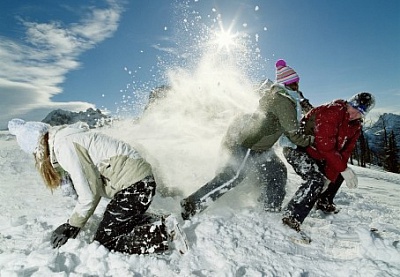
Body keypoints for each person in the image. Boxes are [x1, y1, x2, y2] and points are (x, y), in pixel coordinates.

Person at [8, 119, 186, 255]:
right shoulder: (65, 139)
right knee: (117, 221)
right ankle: (162, 221)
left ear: (38, 147)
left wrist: (72, 225)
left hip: (135, 187)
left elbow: (89, 192)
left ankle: (165, 234)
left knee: (106, 240)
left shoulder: (64, 146)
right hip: (138, 185)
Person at [180, 59, 315, 220]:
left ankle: (270, 210)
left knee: (278, 172)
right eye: (294, 83)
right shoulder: (283, 101)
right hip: (250, 145)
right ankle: (191, 203)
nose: (297, 86)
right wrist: (310, 140)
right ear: (287, 84)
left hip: (263, 148)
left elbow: (284, 127)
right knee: (232, 177)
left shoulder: (279, 96)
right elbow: (293, 133)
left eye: (297, 82)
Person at [282, 92, 376, 231]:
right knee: (316, 179)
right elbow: (324, 146)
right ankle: (291, 217)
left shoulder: (355, 126)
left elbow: (344, 153)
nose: (355, 113)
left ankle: (323, 201)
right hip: (298, 148)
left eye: (360, 111)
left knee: (339, 171)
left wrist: (333, 176)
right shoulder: (332, 111)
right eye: (354, 107)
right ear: (348, 103)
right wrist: (331, 175)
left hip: (318, 154)